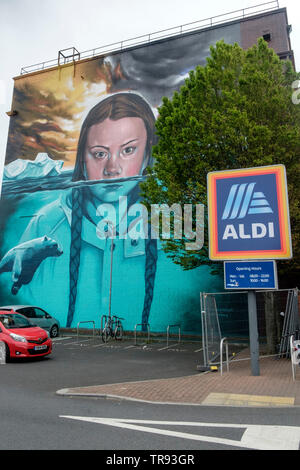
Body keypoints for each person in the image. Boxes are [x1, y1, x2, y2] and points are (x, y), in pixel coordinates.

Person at [12, 92, 160, 329]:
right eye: (100, 153)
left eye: (128, 150)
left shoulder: (176, 220)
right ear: (82, 158)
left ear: (147, 154)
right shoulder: (46, 223)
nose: (113, 168)